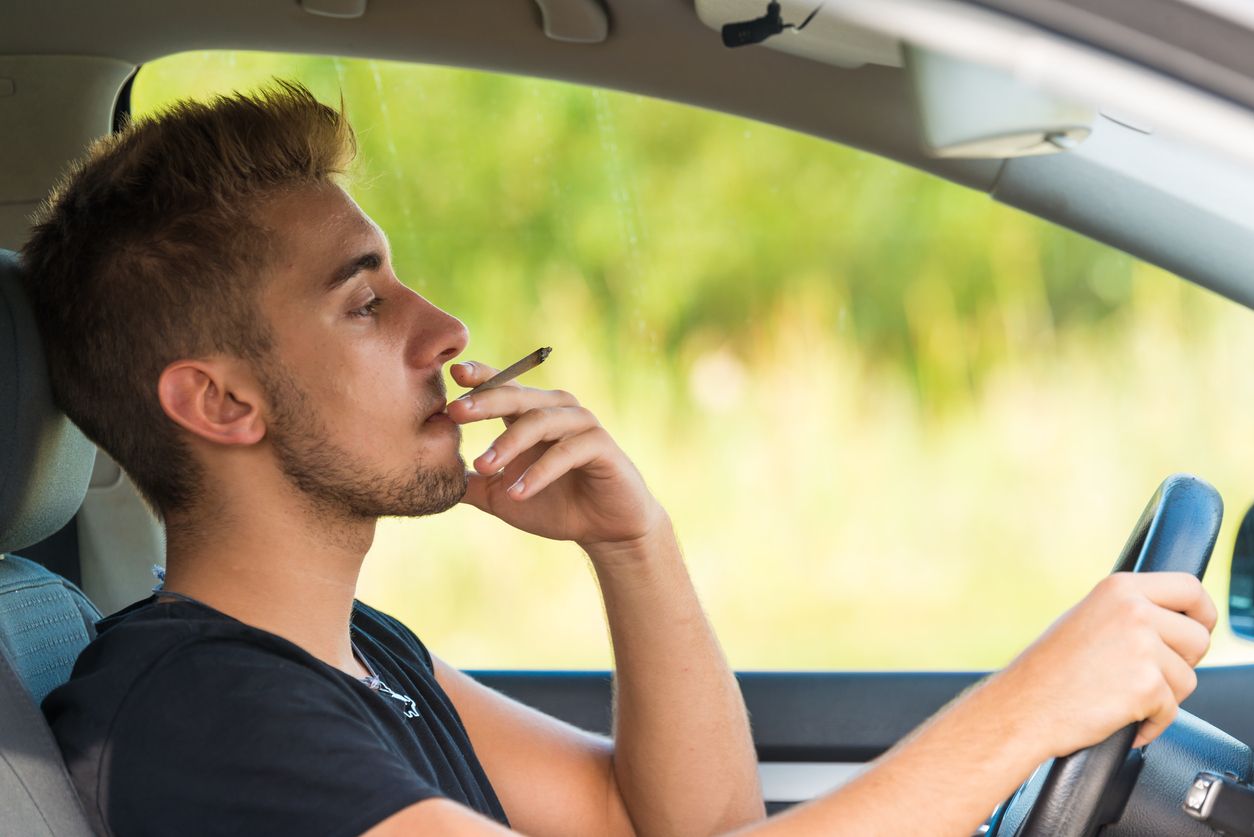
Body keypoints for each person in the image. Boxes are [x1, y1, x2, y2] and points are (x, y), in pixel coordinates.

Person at [24, 81, 1214, 837]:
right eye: (366, 303)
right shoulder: (201, 713)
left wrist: (634, 546)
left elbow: (683, 824)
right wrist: (1025, 711)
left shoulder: (359, 655)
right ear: (221, 401)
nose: (447, 332)